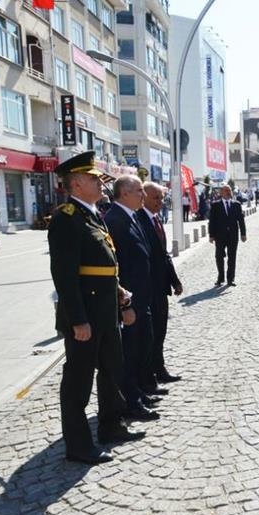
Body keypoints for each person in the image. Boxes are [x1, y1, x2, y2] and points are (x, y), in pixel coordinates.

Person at [48, 151, 144, 465]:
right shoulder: (66, 217)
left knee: (111, 371)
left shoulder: (92, 213)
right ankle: (78, 445)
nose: (99, 182)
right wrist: (77, 319)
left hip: (105, 310)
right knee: (78, 382)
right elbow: (64, 275)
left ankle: (111, 425)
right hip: (86, 314)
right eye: (92, 178)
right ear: (75, 183)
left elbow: (102, 265)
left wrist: (118, 294)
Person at [104, 175, 162, 421]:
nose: (143, 195)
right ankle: (131, 403)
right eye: (139, 190)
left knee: (141, 348)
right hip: (129, 301)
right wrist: (124, 302)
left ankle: (138, 391)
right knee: (129, 354)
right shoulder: (115, 220)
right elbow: (117, 266)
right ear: (125, 193)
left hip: (142, 297)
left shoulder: (131, 216)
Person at [137, 182, 183, 384]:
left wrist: (174, 280)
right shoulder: (138, 220)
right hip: (147, 288)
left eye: (161, 198)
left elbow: (163, 255)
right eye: (156, 198)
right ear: (144, 197)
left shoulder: (155, 220)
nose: (160, 202)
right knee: (150, 335)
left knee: (160, 331)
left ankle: (159, 368)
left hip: (160, 287)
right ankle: (150, 374)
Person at [209, 184, 247, 286]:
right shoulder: (215, 205)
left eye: (229, 190)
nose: (228, 192)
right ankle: (220, 277)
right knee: (219, 256)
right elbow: (212, 221)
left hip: (233, 236)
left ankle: (231, 279)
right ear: (221, 193)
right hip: (220, 236)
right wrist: (211, 235)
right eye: (226, 190)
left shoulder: (237, 204)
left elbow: (241, 220)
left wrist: (243, 234)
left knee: (232, 257)